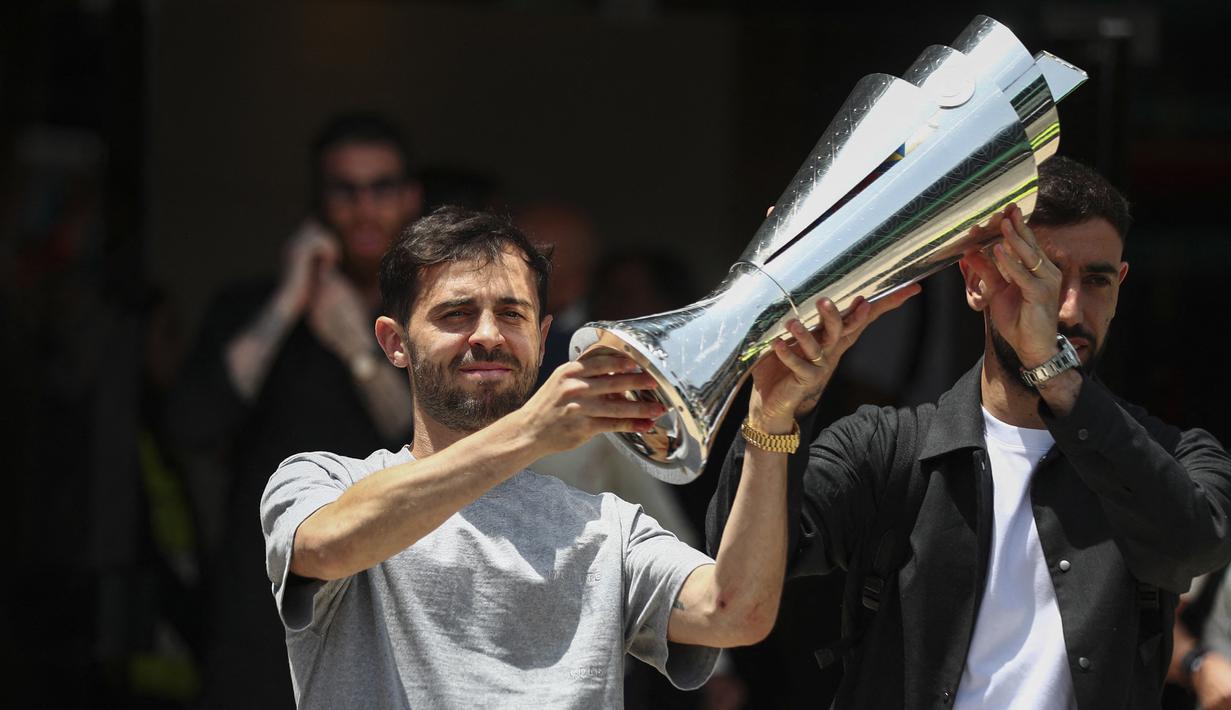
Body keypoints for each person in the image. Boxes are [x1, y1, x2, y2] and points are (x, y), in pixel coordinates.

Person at [260, 206, 915, 707]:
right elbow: (328, 546)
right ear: (394, 342)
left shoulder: (607, 526)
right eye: (456, 313)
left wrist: (769, 420)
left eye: (511, 314)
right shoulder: (323, 480)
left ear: (543, 337)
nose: (487, 334)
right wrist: (531, 434)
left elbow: (733, 613)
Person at [707, 156, 1231, 708]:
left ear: (1120, 287)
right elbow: (739, 571)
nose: (1069, 307)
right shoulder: (888, 449)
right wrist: (772, 414)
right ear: (977, 280)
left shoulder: (1176, 455)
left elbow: (1189, 550)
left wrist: (1052, 370)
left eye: (1095, 280)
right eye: (1040, 274)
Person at [168, 113, 422, 706]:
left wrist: (357, 348)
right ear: (318, 201)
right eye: (345, 190)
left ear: (410, 198)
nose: (364, 208)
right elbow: (192, 424)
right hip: (265, 612)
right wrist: (288, 301)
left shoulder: (431, 316)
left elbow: (434, 447)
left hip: (389, 603)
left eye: (381, 188)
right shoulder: (252, 307)